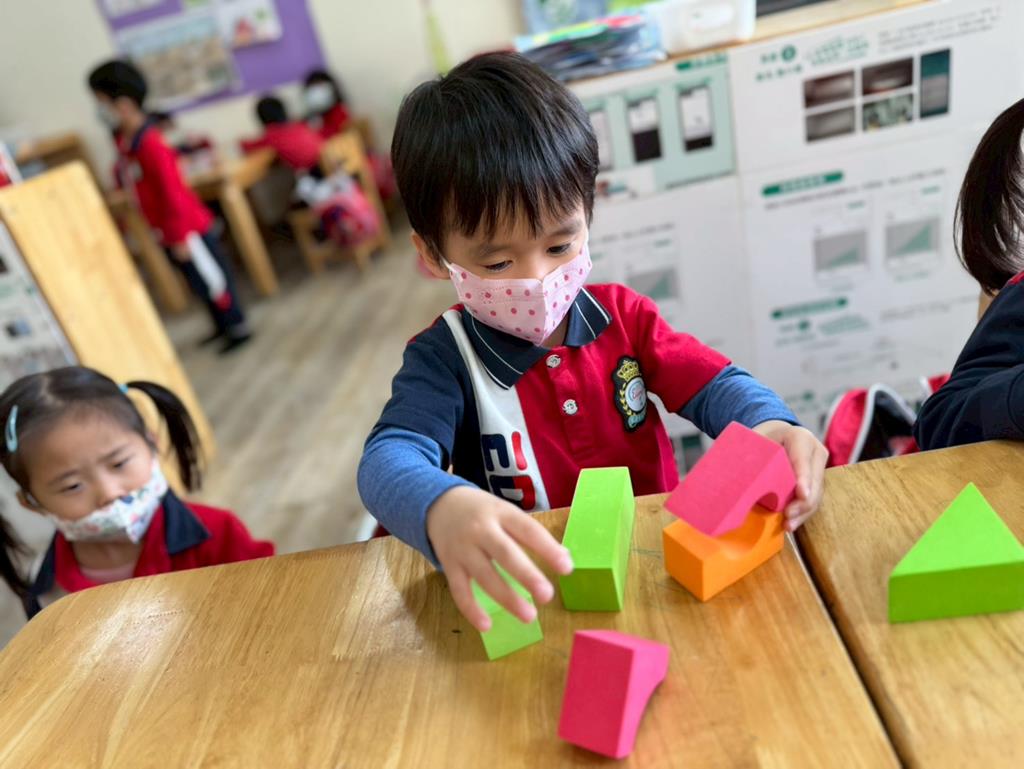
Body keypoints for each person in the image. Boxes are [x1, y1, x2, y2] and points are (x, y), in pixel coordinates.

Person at [358, 53, 828, 632]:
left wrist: (769, 424)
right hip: (533, 592)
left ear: (588, 214)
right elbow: (387, 459)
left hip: (660, 571)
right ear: (433, 256)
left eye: (559, 246)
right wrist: (440, 507)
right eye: (498, 262)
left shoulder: (624, 317)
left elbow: (714, 385)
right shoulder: (443, 359)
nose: (536, 279)